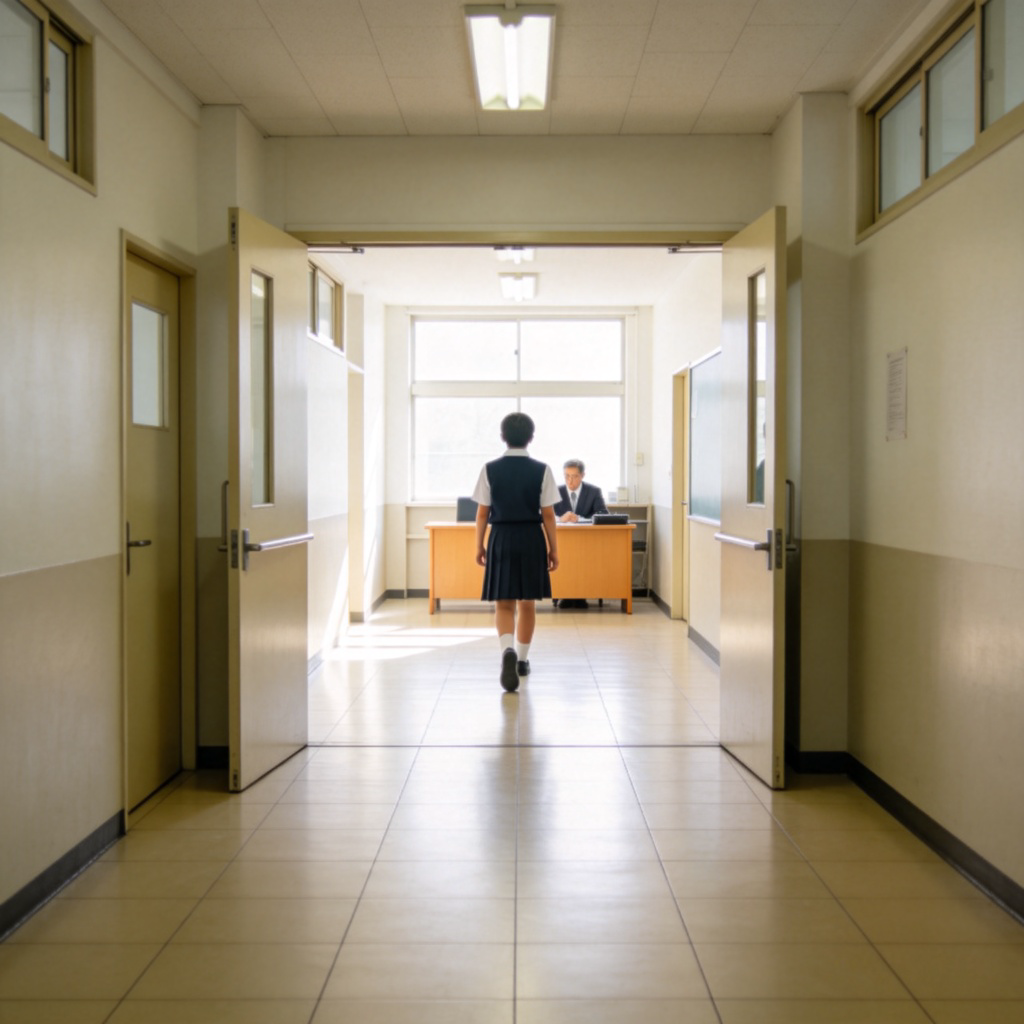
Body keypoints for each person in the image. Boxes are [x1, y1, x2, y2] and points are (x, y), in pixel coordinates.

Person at [472, 412, 560, 692]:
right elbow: (548, 516)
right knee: (527, 603)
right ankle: (521, 661)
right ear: (531, 438)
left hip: (501, 536)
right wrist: (553, 549)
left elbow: (482, 512)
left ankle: (506, 650)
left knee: (504, 603)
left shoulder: (489, 469)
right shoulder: (542, 470)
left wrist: (479, 544)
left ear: (502, 437)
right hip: (531, 538)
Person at [552, 459, 608, 608]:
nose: (570, 480)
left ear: (583, 475)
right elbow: (544, 515)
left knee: (585, 560)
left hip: (587, 540)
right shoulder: (555, 491)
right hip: (561, 540)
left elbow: (602, 514)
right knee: (565, 559)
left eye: (574, 476)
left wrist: (580, 519)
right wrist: (560, 518)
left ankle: (581, 595)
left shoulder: (593, 491)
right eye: (567, 476)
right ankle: (564, 594)